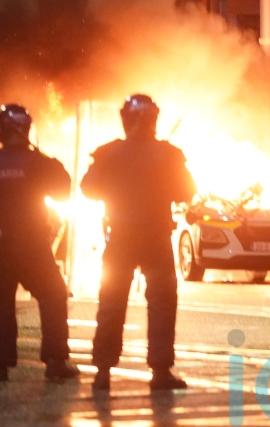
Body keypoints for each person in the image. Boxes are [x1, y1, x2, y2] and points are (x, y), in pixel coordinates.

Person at [82, 94, 195, 391]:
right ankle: (160, 371)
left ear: (126, 119)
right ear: (153, 119)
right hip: (155, 238)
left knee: (111, 301)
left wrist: (116, 187)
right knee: (162, 303)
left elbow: (88, 188)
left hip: (121, 237)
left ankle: (103, 371)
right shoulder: (168, 154)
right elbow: (186, 191)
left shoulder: (109, 153)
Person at [0, 104, 79, 382]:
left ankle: (0, 365)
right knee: (53, 296)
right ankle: (55, 361)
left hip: (0, 246)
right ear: (26, 128)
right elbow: (63, 190)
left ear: (1, 130)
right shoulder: (38, 161)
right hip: (33, 245)